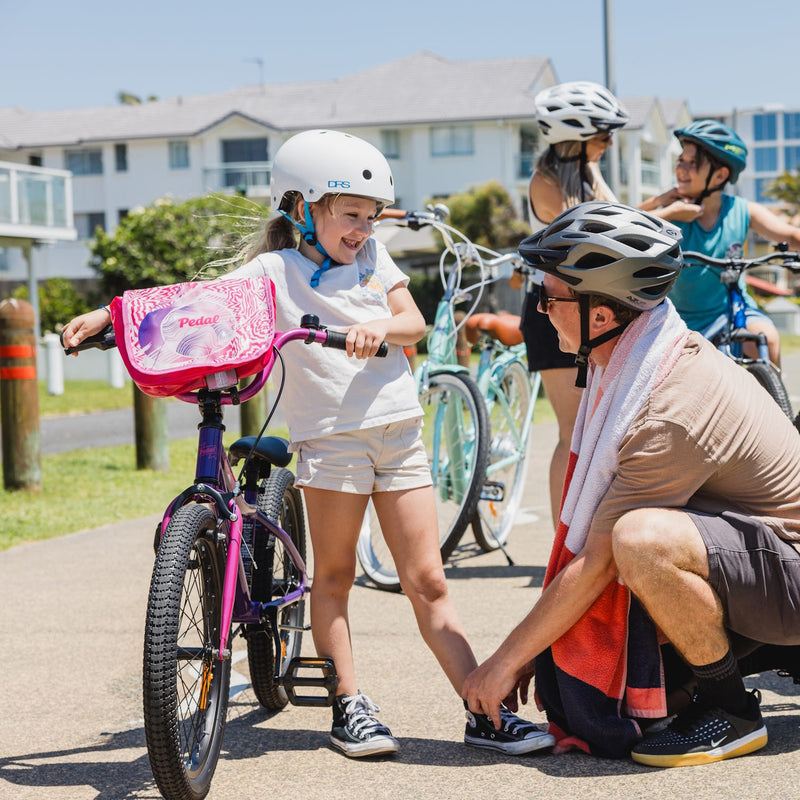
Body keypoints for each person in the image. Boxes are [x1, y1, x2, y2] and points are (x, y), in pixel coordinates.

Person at [61, 129, 554, 759]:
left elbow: (413, 322)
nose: (362, 228)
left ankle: (481, 709)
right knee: (336, 577)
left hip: (399, 433)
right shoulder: (275, 271)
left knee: (428, 579)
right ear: (302, 208)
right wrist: (113, 314)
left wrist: (378, 326)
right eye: (350, 213)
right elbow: (196, 299)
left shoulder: (375, 260)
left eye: (371, 216)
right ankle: (349, 703)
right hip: (332, 441)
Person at [462, 201, 800, 767]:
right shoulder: (643, 363)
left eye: (549, 298)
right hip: (765, 563)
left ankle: (731, 712)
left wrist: (504, 662)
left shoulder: (667, 409)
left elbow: (597, 560)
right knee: (628, 680)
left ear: (600, 314)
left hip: (788, 568)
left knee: (640, 540)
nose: (540, 312)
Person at [512, 80, 629, 526]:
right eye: (603, 134)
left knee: (595, 426)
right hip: (552, 313)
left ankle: (589, 531)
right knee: (571, 431)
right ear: (578, 139)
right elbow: (592, 238)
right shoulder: (547, 184)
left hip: (584, 312)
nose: (610, 143)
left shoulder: (584, 174)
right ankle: (563, 542)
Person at [641, 119, 800, 367]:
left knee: (766, 339)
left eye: (692, 163)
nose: (681, 169)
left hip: (729, 313)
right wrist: (665, 208)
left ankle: (775, 403)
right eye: (680, 161)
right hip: (676, 320)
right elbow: (623, 227)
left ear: (720, 175)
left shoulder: (741, 210)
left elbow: (790, 237)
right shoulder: (670, 214)